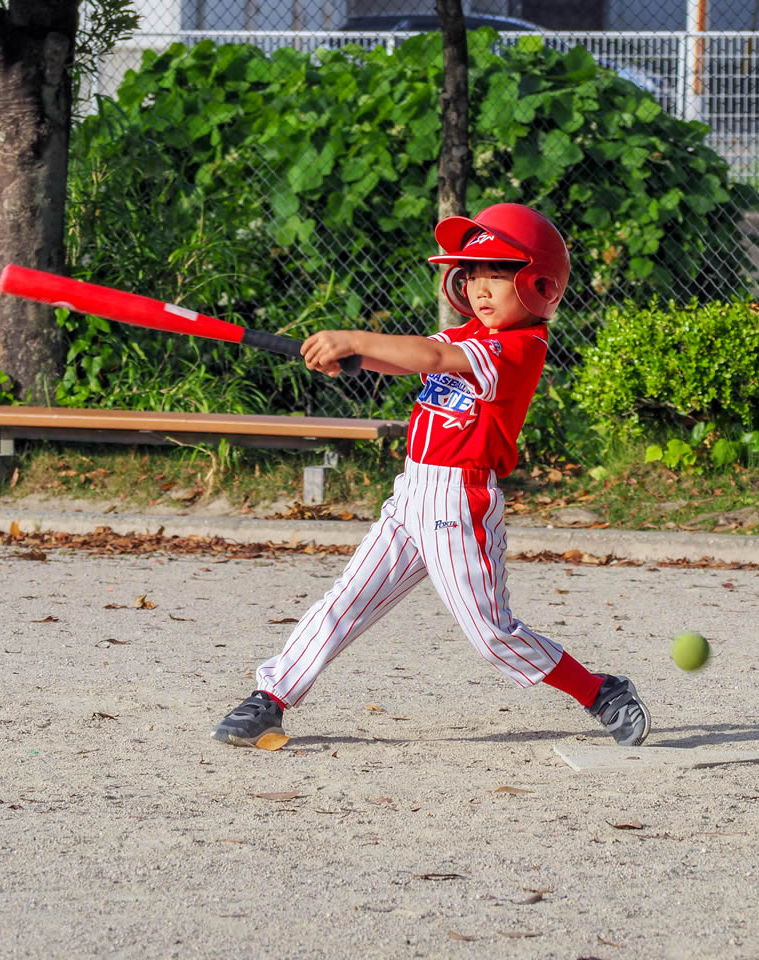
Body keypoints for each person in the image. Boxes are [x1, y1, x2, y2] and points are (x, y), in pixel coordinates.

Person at [210, 203, 651, 749]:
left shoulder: (518, 348)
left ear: (540, 283)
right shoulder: (472, 332)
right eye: (474, 274)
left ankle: (600, 691)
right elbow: (415, 360)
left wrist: (354, 339)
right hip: (411, 492)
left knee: (493, 635)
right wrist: (353, 358)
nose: (482, 288)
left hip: (458, 503)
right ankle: (269, 699)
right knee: (344, 600)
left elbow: (437, 357)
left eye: (499, 274)